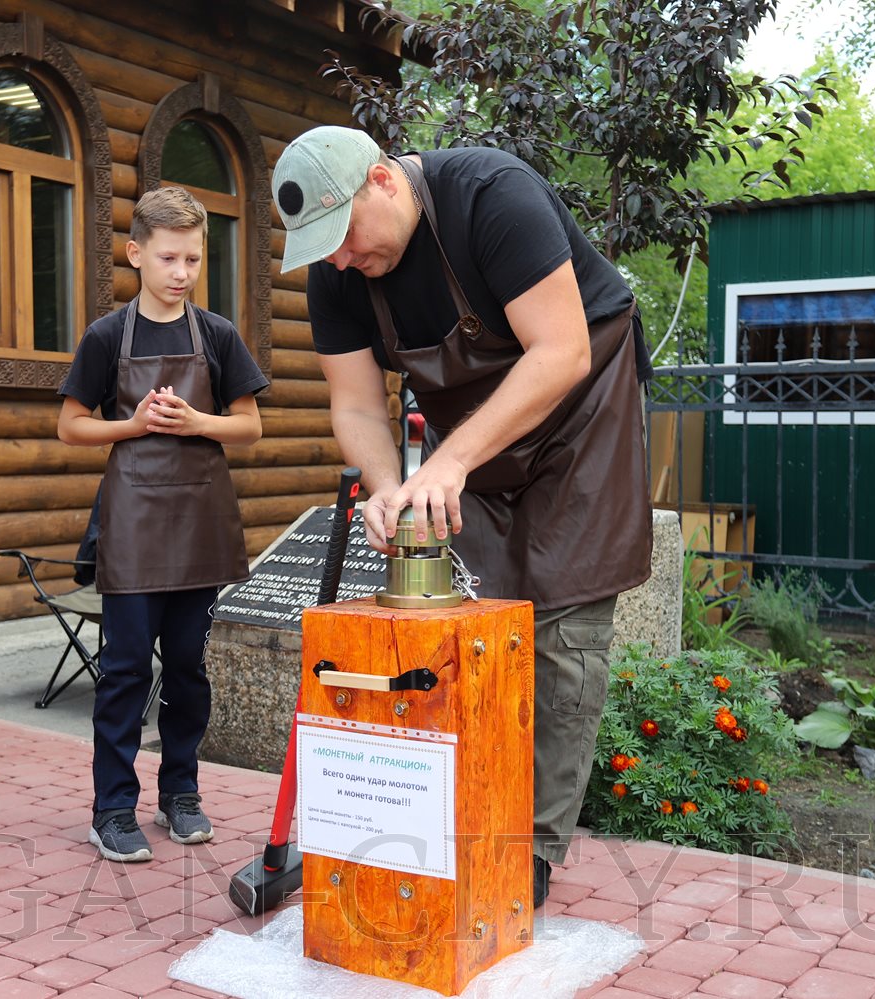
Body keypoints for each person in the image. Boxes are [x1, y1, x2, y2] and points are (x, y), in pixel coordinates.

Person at [273, 126, 652, 906]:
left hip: (582, 418)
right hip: (477, 440)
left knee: (562, 632)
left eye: (341, 235)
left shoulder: (492, 197)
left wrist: (448, 460)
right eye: (320, 248)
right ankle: (457, 816)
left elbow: (560, 352)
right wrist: (386, 484)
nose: (338, 259)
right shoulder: (336, 273)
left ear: (382, 180)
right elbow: (354, 402)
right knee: (464, 621)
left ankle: (531, 852)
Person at [57, 186, 268, 862]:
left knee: (186, 668)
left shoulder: (217, 335)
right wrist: (134, 424)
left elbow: (251, 427)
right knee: (123, 670)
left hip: (201, 524)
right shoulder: (106, 336)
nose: (182, 272)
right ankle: (112, 807)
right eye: (170, 257)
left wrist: (197, 422)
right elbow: (70, 426)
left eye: (194, 259)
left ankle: (181, 793)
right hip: (133, 524)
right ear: (136, 253)